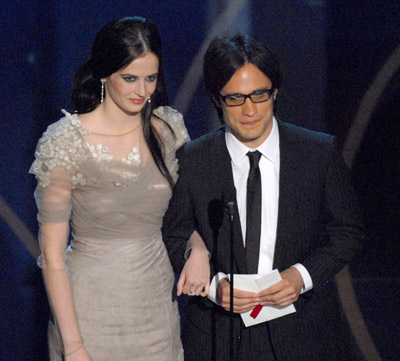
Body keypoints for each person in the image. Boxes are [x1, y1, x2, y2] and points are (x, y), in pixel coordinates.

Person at [162, 34, 365, 360]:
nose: (249, 109)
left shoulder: (317, 152)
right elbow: (172, 235)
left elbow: (348, 232)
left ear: (275, 91)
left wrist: (301, 276)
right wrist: (213, 287)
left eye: (259, 94)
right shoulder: (193, 160)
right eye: (235, 98)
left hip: (303, 332)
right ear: (217, 99)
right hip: (217, 335)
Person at [30, 16, 209, 361]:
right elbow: (51, 256)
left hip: (156, 306)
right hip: (86, 310)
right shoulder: (65, 140)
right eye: (129, 78)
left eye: (150, 78)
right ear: (103, 74)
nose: (142, 91)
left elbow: (186, 211)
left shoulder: (168, 128)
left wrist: (198, 250)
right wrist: (74, 346)